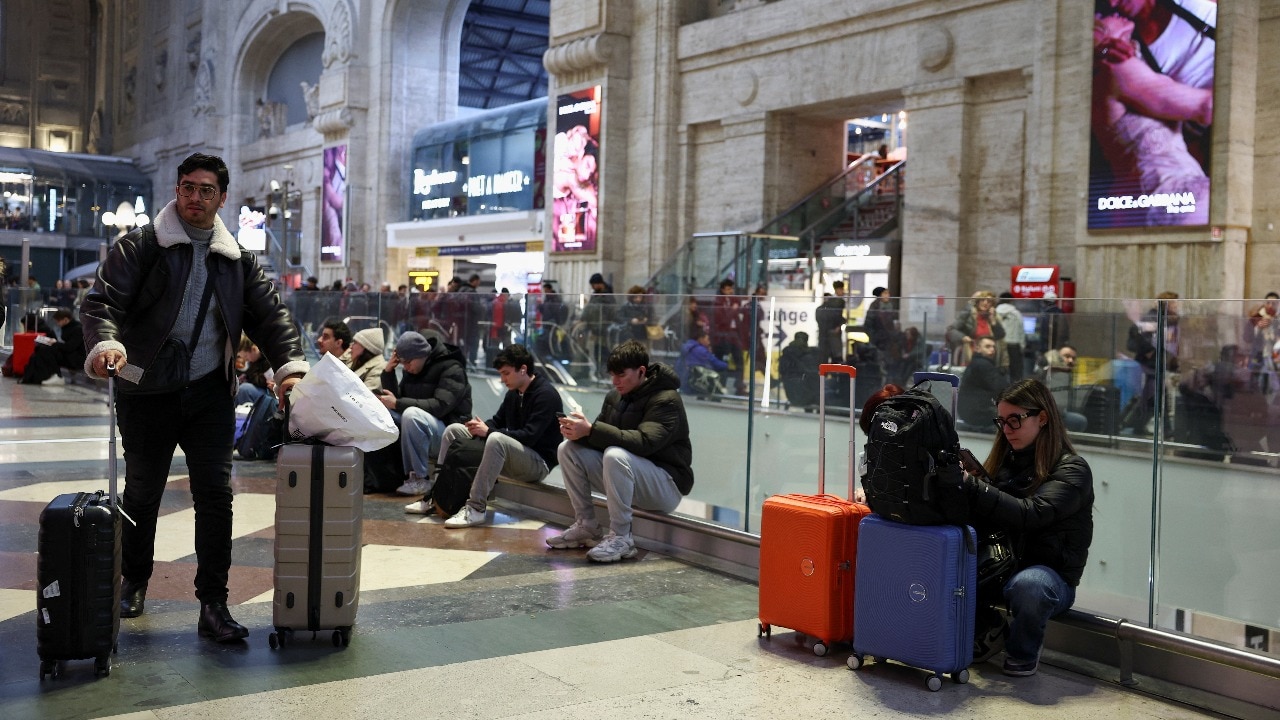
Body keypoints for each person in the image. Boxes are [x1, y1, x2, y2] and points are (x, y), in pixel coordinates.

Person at [80, 152, 308, 643]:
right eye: (188, 187)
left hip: (209, 394)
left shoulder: (236, 260)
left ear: (222, 198)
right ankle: (134, 580)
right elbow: (102, 302)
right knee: (142, 493)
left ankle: (213, 603)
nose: (196, 198)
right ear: (176, 190)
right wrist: (106, 343)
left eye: (207, 190)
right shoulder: (141, 246)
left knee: (215, 497)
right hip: (147, 390)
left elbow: (272, 317)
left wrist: (289, 368)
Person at [945, 378, 1094, 677]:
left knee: (1031, 586)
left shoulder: (1072, 469)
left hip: (1050, 576)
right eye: (1002, 421)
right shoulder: (1003, 463)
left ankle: (1022, 652)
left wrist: (976, 488)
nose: (1007, 429)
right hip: (1001, 566)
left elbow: (1032, 515)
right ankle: (980, 631)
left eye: (1015, 420)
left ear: (1042, 417)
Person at [550, 340, 693, 562]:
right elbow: (598, 438)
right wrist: (580, 432)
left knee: (615, 455)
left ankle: (622, 537)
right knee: (568, 449)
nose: (615, 381)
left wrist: (592, 430)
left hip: (666, 485)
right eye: (612, 375)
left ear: (641, 371)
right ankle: (587, 525)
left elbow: (645, 442)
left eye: (621, 374)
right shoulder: (614, 397)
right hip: (630, 478)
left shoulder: (667, 400)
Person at [409, 345, 563, 526]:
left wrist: (488, 431)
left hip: (537, 463)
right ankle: (436, 497)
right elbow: (497, 421)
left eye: (506, 373)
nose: (502, 379)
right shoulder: (514, 393)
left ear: (523, 369)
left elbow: (529, 436)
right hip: (513, 454)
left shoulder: (546, 395)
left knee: (496, 439)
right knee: (454, 431)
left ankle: (476, 508)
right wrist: (479, 427)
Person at [383, 331, 472, 497]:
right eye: (402, 363)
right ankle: (390, 473)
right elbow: (399, 401)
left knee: (410, 414)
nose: (406, 367)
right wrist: (388, 372)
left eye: (408, 362)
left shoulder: (452, 368)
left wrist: (398, 403)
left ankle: (420, 479)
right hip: (427, 430)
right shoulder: (412, 370)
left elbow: (440, 406)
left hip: (449, 435)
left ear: (421, 354)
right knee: (386, 413)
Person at [21, 308, 86, 384]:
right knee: (42, 349)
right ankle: (42, 375)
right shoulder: (68, 327)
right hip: (70, 354)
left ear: (65, 319)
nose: (57, 324)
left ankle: (57, 375)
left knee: (48, 351)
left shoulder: (78, 329)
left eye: (58, 321)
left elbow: (70, 347)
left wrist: (55, 343)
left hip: (77, 359)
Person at [958, 335, 1008, 429]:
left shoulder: (976, 362)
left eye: (993, 347)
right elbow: (1002, 388)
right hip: (979, 413)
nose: (992, 350)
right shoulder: (983, 365)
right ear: (978, 348)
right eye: (987, 346)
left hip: (969, 411)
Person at [947, 291, 1006, 368]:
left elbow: (1000, 336)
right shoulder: (969, 314)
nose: (985, 303)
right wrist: (963, 337)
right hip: (970, 354)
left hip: (989, 356)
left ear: (992, 305)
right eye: (982, 300)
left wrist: (993, 321)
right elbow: (951, 330)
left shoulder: (994, 317)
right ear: (977, 302)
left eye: (989, 301)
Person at [679, 328, 729, 396]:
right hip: (695, 381)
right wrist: (727, 365)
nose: (709, 342)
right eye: (707, 339)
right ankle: (717, 395)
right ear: (700, 339)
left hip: (685, 379)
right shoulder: (701, 350)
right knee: (721, 372)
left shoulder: (687, 347)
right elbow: (716, 363)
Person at [778, 331, 821, 408]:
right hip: (807, 398)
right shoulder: (809, 357)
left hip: (791, 396)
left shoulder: (786, 356)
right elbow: (814, 379)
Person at [995, 292, 1026, 382]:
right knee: (1016, 372)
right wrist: (1022, 346)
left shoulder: (995, 312)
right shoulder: (1016, 313)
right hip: (1014, 344)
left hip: (999, 344)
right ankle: (1015, 392)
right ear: (1011, 301)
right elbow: (1021, 331)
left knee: (1000, 369)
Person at [233, 334, 273, 405]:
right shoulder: (254, 361)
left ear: (253, 349)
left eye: (246, 356)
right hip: (262, 389)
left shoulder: (268, 358)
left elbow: (263, 381)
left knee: (244, 389)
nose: (246, 359)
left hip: (270, 392)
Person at [815, 281, 847, 363]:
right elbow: (836, 316)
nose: (843, 292)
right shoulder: (839, 302)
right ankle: (835, 375)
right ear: (837, 290)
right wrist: (839, 324)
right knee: (835, 357)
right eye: (842, 289)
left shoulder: (826, 305)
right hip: (833, 334)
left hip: (825, 335)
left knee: (824, 357)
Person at [348, 327, 387, 392]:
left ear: (366, 346)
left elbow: (364, 397)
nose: (351, 346)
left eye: (355, 342)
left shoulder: (379, 369)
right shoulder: (355, 362)